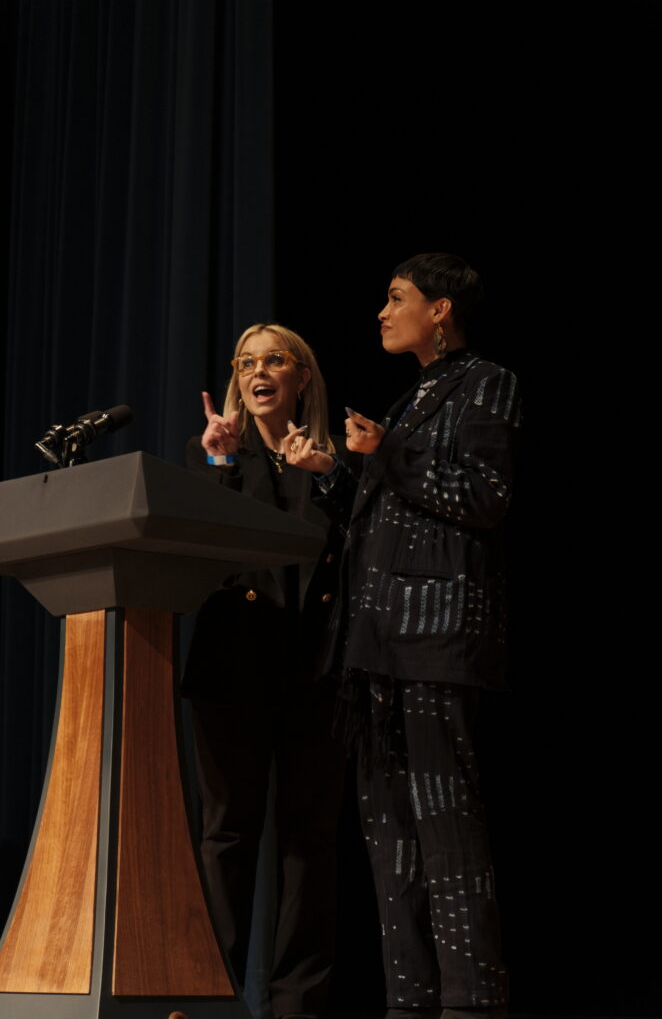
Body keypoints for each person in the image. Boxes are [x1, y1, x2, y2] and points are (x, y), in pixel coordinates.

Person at [286, 254, 521, 1019]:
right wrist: (337, 472)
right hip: (374, 641)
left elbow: (481, 496)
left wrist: (384, 451)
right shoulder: (417, 393)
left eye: (396, 298)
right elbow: (401, 506)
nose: (382, 313)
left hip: (434, 635)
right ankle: (409, 1004)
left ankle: (470, 1005)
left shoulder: (485, 381)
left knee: (444, 823)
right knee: (387, 835)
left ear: (441, 309)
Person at [181, 323, 348, 1019]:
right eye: (246, 362)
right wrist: (217, 465)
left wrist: (326, 475)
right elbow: (196, 545)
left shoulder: (331, 462)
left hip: (315, 672)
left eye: (273, 360)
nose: (258, 372)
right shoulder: (215, 458)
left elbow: (354, 546)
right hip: (234, 670)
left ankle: (296, 1004)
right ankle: (212, 995)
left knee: (309, 839)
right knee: (227, 834)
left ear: (300, 376)